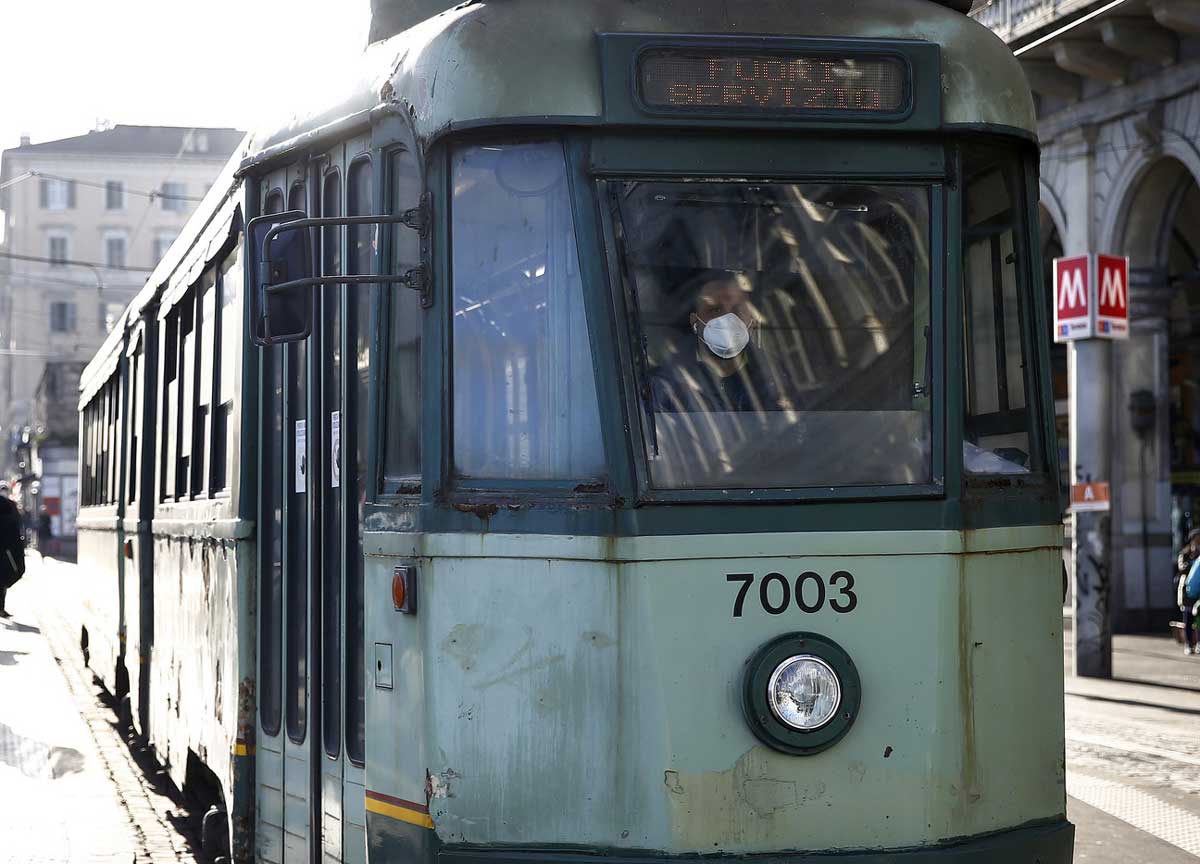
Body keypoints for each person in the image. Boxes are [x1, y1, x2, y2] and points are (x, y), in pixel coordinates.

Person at [650, 271, 798, 415]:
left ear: (749, 318)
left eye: (736, 309)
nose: (728, 319)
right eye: (715, 310)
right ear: (695, 322)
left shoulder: (774, 374)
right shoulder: (667, 386)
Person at [0, 484, 25, 618]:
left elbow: (15, 526)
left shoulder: (10, 506)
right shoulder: (10, 506)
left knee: (3, 578)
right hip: (6, 547)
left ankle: (1, 607)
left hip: (6, 548)